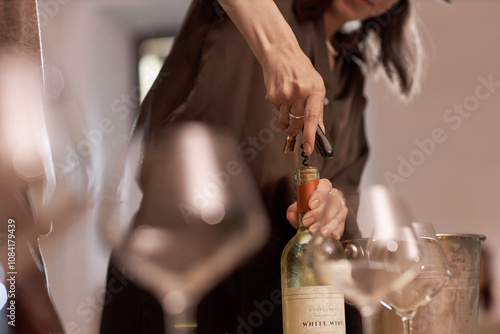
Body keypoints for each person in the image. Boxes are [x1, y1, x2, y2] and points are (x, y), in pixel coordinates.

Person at [100, 0, 441, 333]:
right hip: (180, 266)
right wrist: (277, 48)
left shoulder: (352, 80)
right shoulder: (264, 9)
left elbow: (342, 193)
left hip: (274, 291)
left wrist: (332, 207)